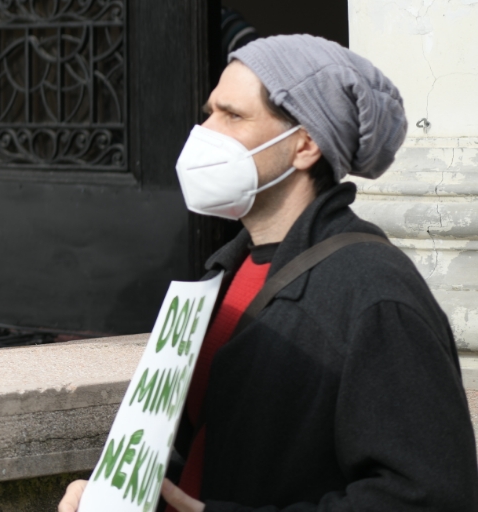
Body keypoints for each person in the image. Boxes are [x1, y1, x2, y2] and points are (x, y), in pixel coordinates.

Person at [59, 34, 478, 512]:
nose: (206, 132)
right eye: (210, 112)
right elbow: (196, 443)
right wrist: (109, 494)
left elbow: (428, 497)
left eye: (233, 116)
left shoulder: (375, 295)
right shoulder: (227, 269)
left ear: (304, 146)